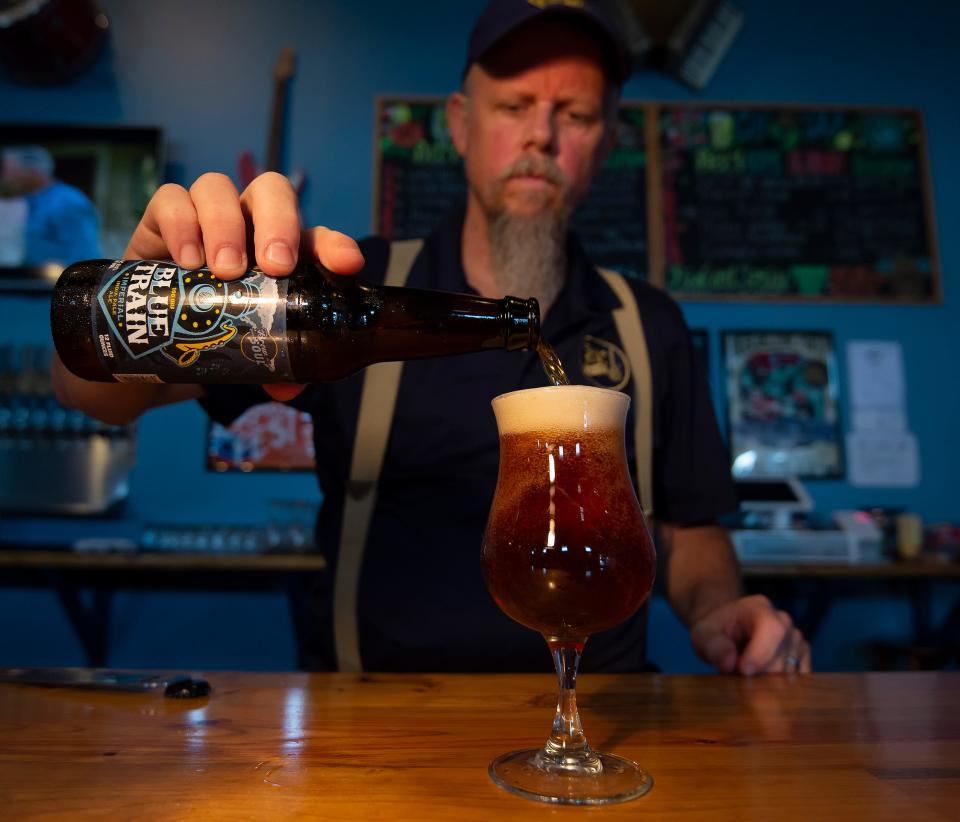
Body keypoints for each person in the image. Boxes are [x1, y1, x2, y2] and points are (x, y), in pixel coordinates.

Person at [52, 0, 811, 676]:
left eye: (574, 115)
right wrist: (136, 293)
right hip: (371, 733)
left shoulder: (649, 322)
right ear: (458, 123)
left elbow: (687, 528)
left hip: (605, 730)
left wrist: (718, 613)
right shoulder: (351, 288)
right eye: (514, 104)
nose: (541, 135)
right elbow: (94, 398)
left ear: (607, 140)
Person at [0, 145, 101, 265]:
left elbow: (85, 257)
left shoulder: (67, 203)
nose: (4, 179)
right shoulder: (27, 201)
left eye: (6, 171)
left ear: (31, 171)